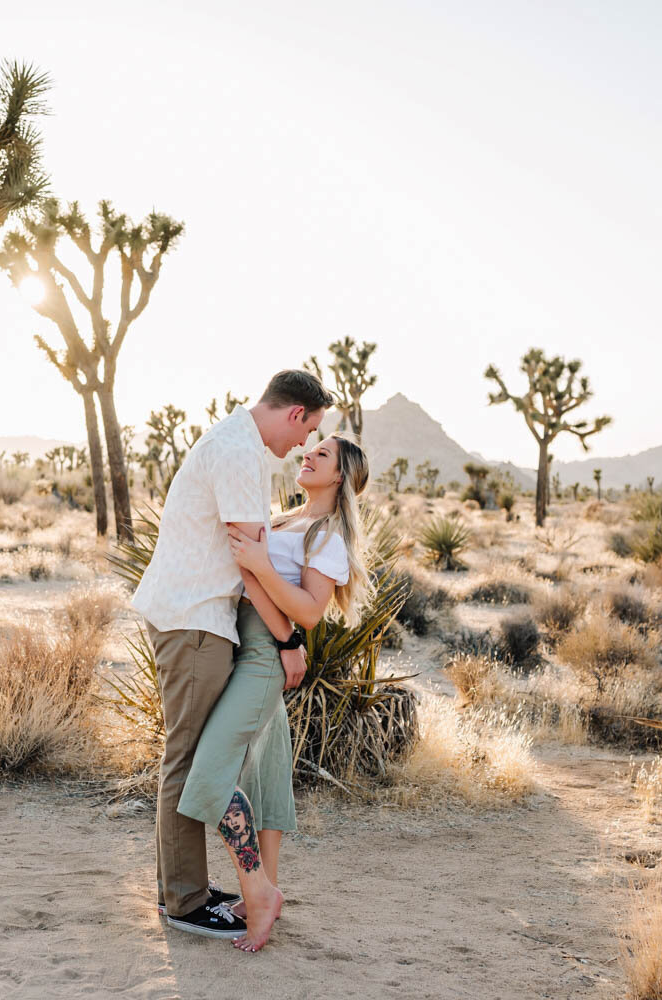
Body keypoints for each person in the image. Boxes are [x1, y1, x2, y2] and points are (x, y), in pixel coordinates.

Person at [130, 369, 332, 941]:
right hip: (195, 621)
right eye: (308, 429)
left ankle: (181, 890)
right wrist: (290, 642)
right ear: (295, 414)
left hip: (194, 617)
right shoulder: (240, 455)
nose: (302, 445)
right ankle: (187, 902)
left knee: (188, 757)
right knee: (188, 760)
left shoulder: (232, 442)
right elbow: (252, 565)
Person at [179, 433, 373, 952]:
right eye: (311, 448)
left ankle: (259, 891)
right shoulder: (288, 519)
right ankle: (258, 893)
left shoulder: (327, 536)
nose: (307, 454)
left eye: (322, 453)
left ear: (340, 475)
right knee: (265, 776)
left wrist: (264, 574)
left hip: (265, 653)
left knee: (210, 774)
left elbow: (309, 612)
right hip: (245, 643)